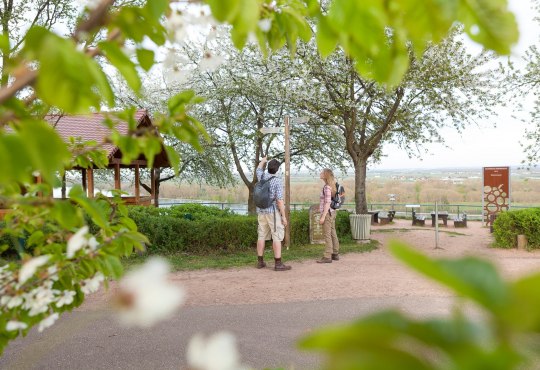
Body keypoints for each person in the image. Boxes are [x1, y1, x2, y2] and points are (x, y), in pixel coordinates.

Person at [255, 156, 291, 271]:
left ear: (269, 168)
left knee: (261, 235)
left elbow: (258, 169)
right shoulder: (277, 181)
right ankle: (278, 263)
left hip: (261, 211)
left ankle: (260, 262)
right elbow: (280, 201)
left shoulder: (262, 176)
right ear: (277, 170)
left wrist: (263, 160)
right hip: (272, 212)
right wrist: (284, 217)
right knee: (277, 236)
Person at [317, 168, 340, 263]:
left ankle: (327, 256)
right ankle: (335, 253)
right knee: (332, 233)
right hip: (332, 212)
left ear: (325, 175)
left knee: (327, 234)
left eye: (322, 172)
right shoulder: (332, 185)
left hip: (327, 213)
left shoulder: (327, 187)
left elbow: (327, 202)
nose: (320, 173)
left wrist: (323, 216)